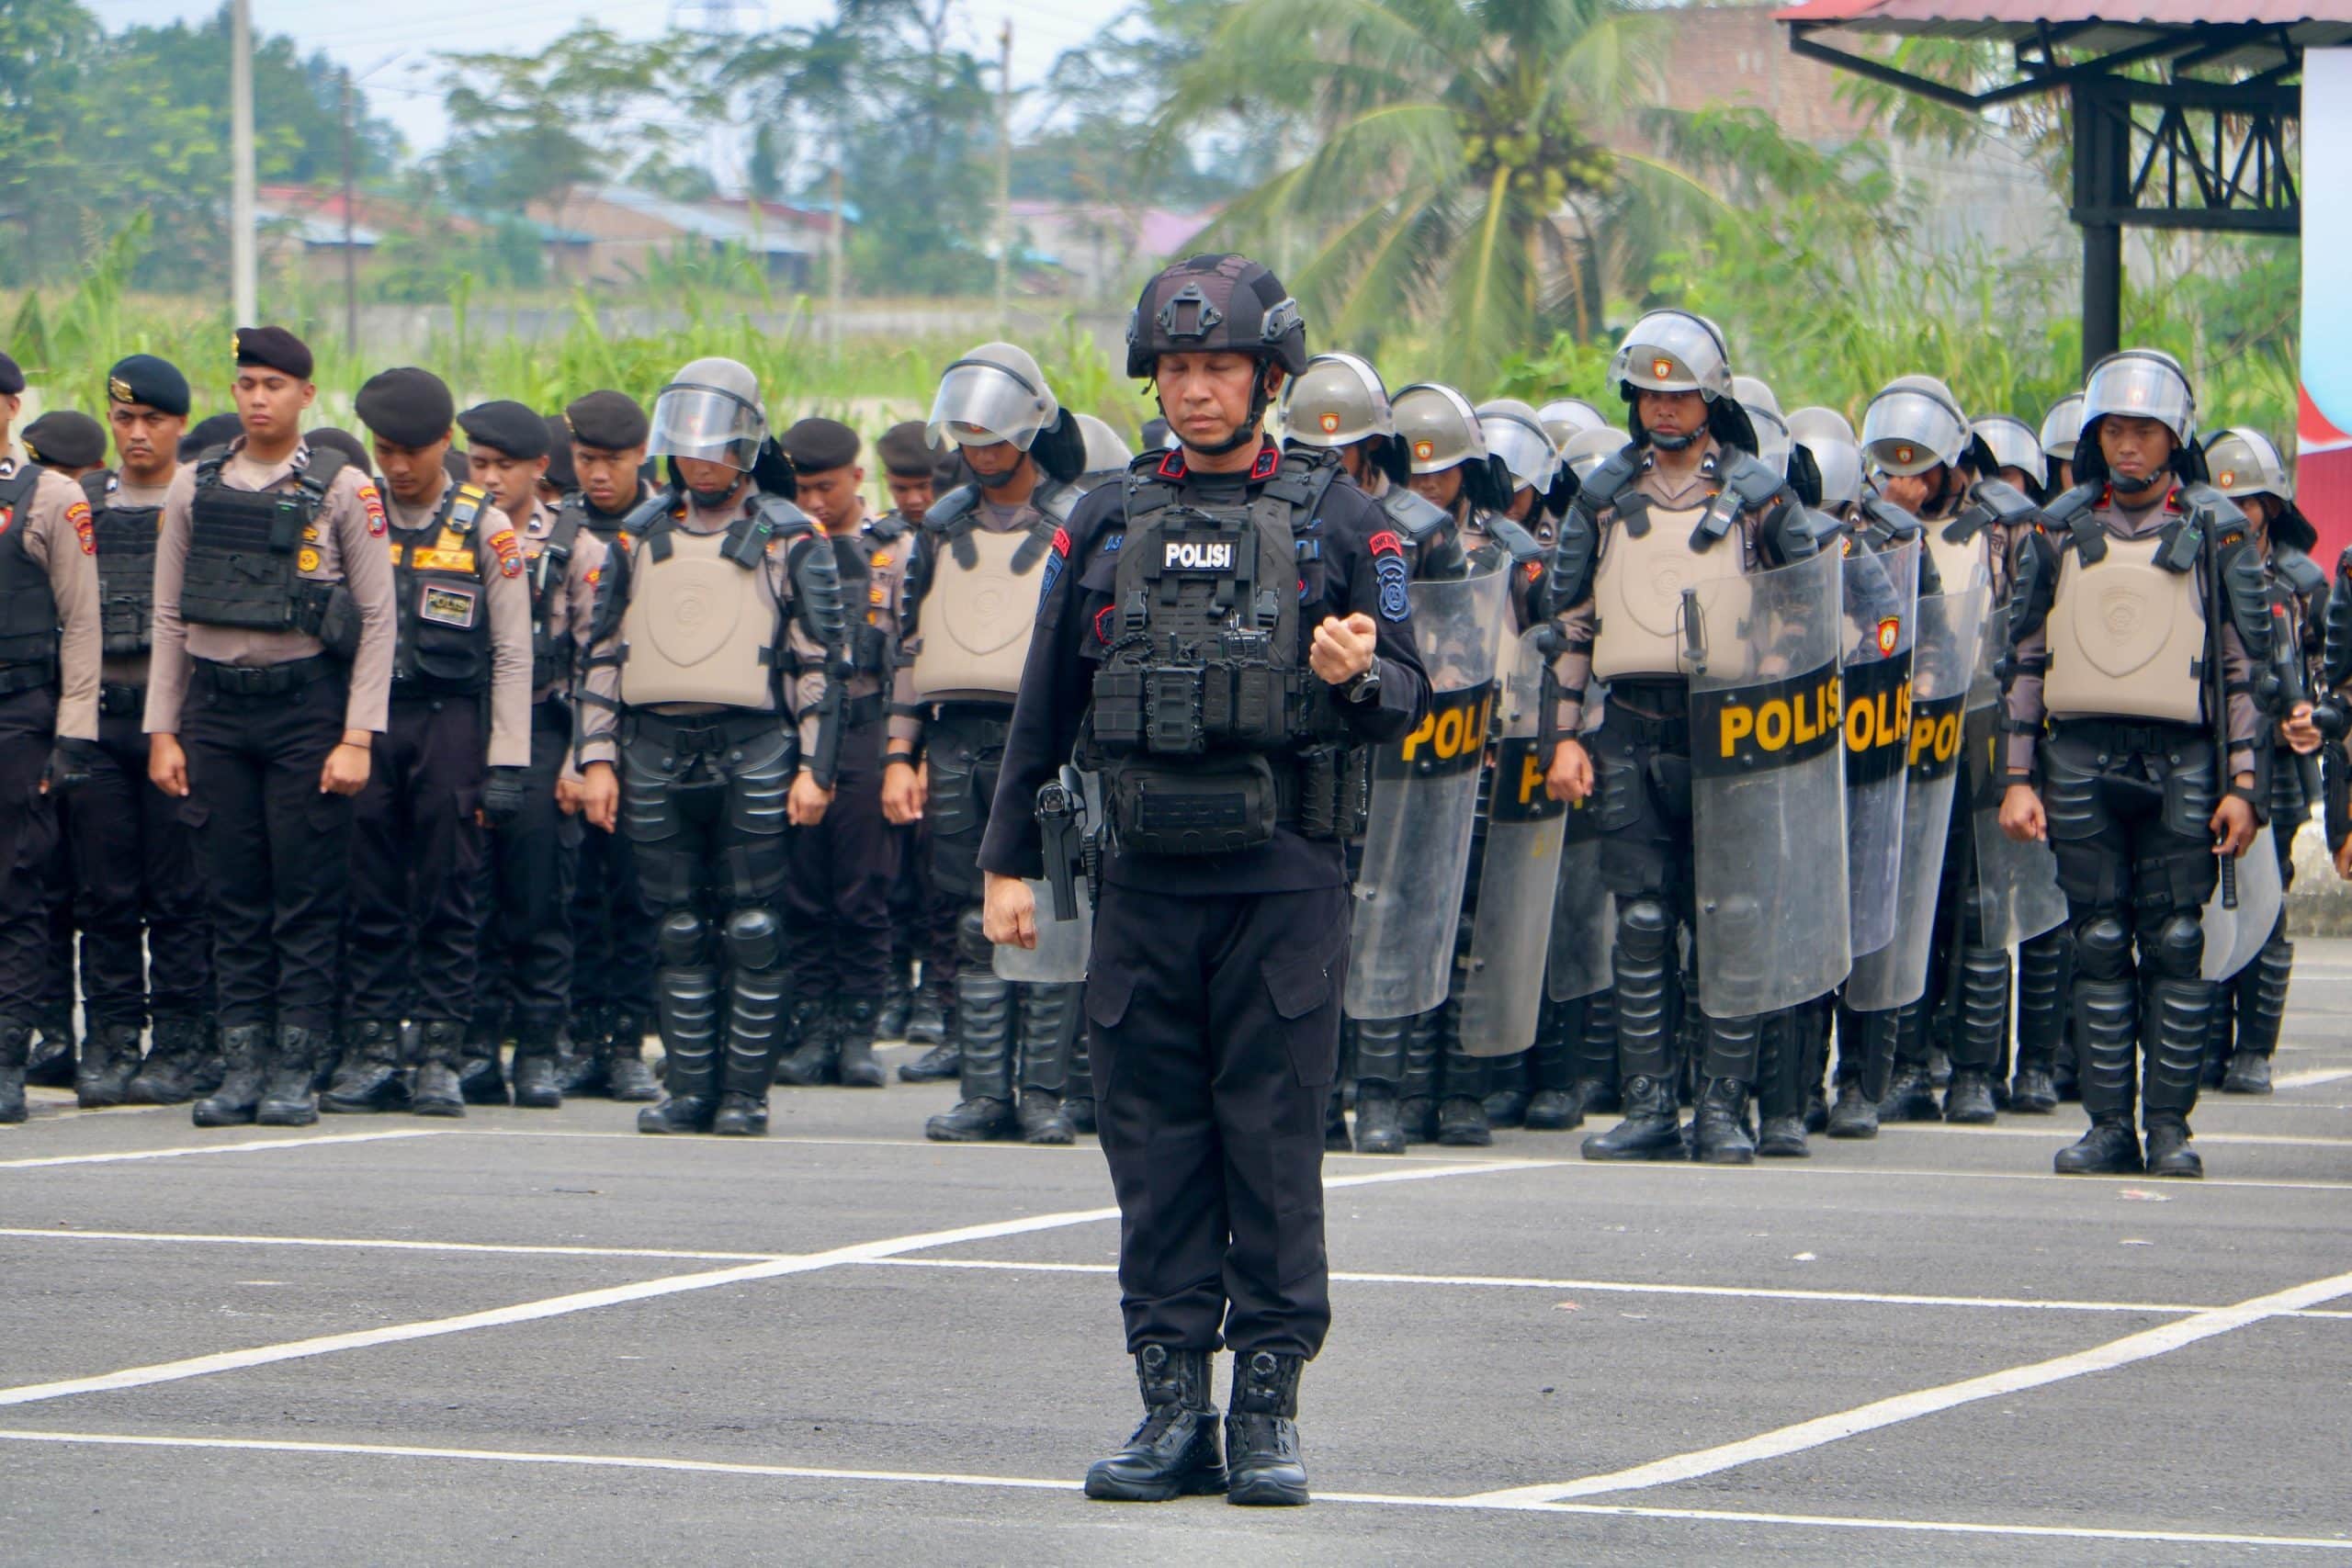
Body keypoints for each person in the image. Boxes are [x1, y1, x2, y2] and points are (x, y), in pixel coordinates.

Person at [982, 253, 1429, 1506]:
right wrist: (1006, 858)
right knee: (1151, 1139)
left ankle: (1270, 1403)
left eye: (1218, 365)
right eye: (1176, 367)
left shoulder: (1353, 520)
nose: (1194, 388)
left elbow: (1412, 688)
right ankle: (1171, 1400)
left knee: (1273, 1139)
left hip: (1283, 880)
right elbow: (1044, 703)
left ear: (1268, 377)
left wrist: (1356, 670)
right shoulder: (1102, 517)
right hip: (1140, 880)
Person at [1544, 310, 1825, 1165]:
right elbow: (1570, 623)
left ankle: (1723, 1107)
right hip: (1627, 724)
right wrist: (1565, 737)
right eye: (1649, 390)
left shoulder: (1764, 495)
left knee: (1732, 918)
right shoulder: (1600, 496)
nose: (1663, 406)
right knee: (1641, 918)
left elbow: (1805, 608)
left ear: (1710, 396)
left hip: (1733, 726)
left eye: (1680, 390)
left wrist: (1779, 721)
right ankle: (1649, 1105)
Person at [1998, 349, 2267, 1178]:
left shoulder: (2218, 528)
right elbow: (2025, 659)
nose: (2128, 445)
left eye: (2145, 430)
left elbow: (2241, 667)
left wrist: (2246, 786)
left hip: (2183, 758)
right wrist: (2015, 778)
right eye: (2114, 428)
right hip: (2078, 755)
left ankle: (2171, 1128)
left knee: (2177, 941)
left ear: (2174, 435)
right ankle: (2109, 1125)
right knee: (2100, 940)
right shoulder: (2055, 525)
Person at [583, 358, 846, 1137]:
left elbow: (823, 659)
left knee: (753, 926)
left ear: (744, 443)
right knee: (676, 926)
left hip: (756, 744)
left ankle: (744, 1094)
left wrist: (814, 765)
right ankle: (689, 1087)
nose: (699, 457)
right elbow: (600, 652)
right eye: (687, 441)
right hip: (654, 743)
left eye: (714, 441)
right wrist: (595, 758)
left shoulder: (789, 535)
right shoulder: (639, 535)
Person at [145, 327, 396, 1127]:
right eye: (247, 383)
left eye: (275, 385)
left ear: (305, 396)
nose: (258, 398)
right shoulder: (195, 485)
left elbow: (380, 617)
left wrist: (357, 735)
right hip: (216, 710)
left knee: (305, 893)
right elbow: (166, 614)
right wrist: (163, 728)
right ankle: (242, 1062)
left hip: (305, 710)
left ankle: (295, 1065)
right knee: (234, 893)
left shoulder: (343, 487)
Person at [886, 343, 1094, 1145]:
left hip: (1046, 738)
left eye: (992, 437)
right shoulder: (938, 528)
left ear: (1030, 431)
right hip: (957, 736)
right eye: (967, 439)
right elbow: (909, 646)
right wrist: (901, 751)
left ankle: (1043, 1092)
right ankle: (983, 1092)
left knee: (1048, 909)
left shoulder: (1080, 520)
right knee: (970, 916)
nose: (979, 453)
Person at [322, 369, 531, 1118]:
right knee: (368, 887)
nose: (398, 465)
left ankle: (442, 1053)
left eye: (412, 450)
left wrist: (507, 761)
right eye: (384, 449)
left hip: (450, 723)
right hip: (369, 723)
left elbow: (512, 651)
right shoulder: (355, 510)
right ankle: (373, 1048)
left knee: (449, 889)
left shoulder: (485, 522)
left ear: (448, 444)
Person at [448, 399, 610, 1111]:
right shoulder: (452, 533)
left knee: (539, 899)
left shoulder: (575, 545)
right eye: (477, 464)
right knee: (469, 895)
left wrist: (581, 758)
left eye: (502, 466)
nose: (487, 479)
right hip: (466, 728)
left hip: (546, 731)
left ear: (540, 468)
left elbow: (594, 664)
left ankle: (540, 1048)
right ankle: (476, 1047)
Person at [64, 357, 216, 1107]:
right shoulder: (83, 500)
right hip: (97, 721)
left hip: (175, 725)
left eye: (152, 419)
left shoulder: (202, 499)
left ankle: (182, 1040)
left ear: (180, 424)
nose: (137, 432)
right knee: (104, 890)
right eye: (124, 418)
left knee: (180, 890)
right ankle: (112, 1037)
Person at [770, 418, 903, 1090]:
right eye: (801, 489)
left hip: (867, 730)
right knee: (801, 888)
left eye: (826, 487)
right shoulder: (780, 546)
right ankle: (811, 1026)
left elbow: (912, 654)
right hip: (798, 728)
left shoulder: (892, 550)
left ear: (857, 478)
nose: (815, 502)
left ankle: (857, 1030)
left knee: (861, 891)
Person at [0, 353, 102, 1122]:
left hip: (19, 713)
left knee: (18, 886)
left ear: (11, 407)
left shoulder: (50, 496)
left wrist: (72, 735)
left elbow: (82, 624)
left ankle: (7, 1053)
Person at [2205, 426, 2321, 1097]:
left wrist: (2313, 714)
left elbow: (2332, 671)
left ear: (2270, 506)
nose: (2237, 513)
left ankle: (2254, 1049)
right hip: (2208, 757)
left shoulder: (2302, 582)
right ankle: (2208, 1042)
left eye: (2248, 500)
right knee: (2208, 898)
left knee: (2267, 901)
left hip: (2275, 763)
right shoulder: (2195, 563)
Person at [555, 391, 662, 1102]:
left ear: (640, 458)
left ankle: (627, 1041)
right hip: (569, 736)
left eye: (612, 461)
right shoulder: (557, 527)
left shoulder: (665, 527)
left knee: (639, 898)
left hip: (652, 739)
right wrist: (576, 753)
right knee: (574, 899)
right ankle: (579, 1035)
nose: (598, 474)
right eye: (587, 459)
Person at [871, 418, 946, 1047]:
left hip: (939, 724)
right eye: (902, 486)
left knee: (937, 874)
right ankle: (895, 982)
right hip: (887, 720)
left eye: (924, 485)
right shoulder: (884, 545)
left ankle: (933, 993)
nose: (914, 499)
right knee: (889, 870)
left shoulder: (954, 540)